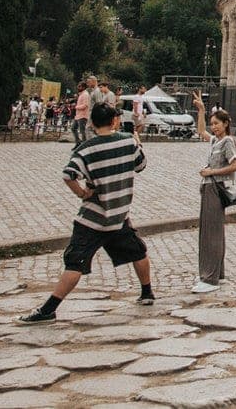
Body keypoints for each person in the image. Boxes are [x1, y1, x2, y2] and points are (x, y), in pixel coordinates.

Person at [20, 102, 153, 323]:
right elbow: (141, 166)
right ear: (114, 121)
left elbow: (68, 174)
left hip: (93, 217)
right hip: (119, 215)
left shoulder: (86, 149)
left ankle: (49, 309)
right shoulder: (128, 141)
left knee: (75, 262)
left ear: (91, 123)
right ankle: (147, 292)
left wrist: (82, 193)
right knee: (138, 251)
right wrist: (137, 142)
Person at [191, 91, 236, 294]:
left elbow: (235, 166)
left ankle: (209, 278)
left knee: (211, 233)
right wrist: (201, 110)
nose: (214, 127)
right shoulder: (215, 141)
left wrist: (211, 172)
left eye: (217, 123)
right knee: (211, 231)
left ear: (226, 124)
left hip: (216, 187)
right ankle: (217, 273)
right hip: (209, 186)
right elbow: (201, 131)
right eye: (213, 124)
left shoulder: (227, 141)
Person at [72, 78, 93, 145]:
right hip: (78, 115)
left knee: (82, 131)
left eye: (79, 86)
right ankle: (78, 143)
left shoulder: (85, 94)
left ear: (83, 87)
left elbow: (85, 105)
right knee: (73, 128)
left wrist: (76, 107)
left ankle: (84, 144)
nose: (78, 87)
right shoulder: (81, 94)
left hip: (83, 116)